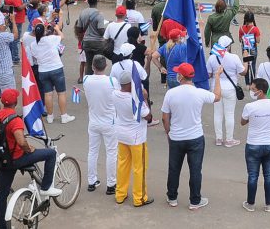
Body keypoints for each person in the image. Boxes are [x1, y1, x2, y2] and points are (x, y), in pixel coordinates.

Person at [0, 88, 63, 229]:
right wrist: (28, 148)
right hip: (17, 158)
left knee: (2, 194)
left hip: (2, 159)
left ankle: (2, 226)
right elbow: (20, 141)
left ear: (2, 102)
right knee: (50, 153)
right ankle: (45, 187)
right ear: (15, 102)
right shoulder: (15, 119)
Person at [162, 62, 224, 210]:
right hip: (195, 137)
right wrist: (217, 77)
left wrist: (168, 133)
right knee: (195, 170)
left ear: (181, 76)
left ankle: (172, 197)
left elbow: (165, 117)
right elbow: (217, 97)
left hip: (176, 137)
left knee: (174, 168)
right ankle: (195, 200)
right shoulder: (199, 93)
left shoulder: (171, 93)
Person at [240, 77, 270, 212]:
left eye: (253, 89)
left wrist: (254, 120)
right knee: (269, 175)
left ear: (260, 91)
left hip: (253, 144)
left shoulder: (250, 107)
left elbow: (242, 122)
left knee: (253, 175)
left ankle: (250, 203)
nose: (251, 91)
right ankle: (269, 204)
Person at [24, 18, 74, 124]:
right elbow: (62, 36)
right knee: (61, 93)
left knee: (48, 93)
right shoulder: (51, 39)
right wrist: (57, 28)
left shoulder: (33, 45)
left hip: (43, 70)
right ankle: (64, 116)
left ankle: (50, 116)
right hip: (56, 68)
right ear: (44, 31)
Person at [83, 55, 120, 196]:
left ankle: (91, 182)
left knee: (92, 151)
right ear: (105, 67)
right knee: (111, 152)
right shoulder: (112, 81)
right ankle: (111, 184)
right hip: (109, 122)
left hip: (93, 122)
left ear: (93, 66)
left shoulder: (86, 80)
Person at [115, 67, 153, 206]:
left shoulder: (115, 95)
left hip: (121, 135)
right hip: (137, 137)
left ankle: (120, 194)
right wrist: (145, 98)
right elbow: (148, 116)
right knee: (139, 168)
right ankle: (139, 198)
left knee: (122, 165)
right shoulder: (136, 100)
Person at [207, 36, 246, 146]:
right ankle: (229, 140)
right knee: (229, 114)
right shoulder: (234, 57)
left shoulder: (212, 57)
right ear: (228, 46)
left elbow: (209, 74)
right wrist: (246, 61)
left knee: (217, 113)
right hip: (230, 88)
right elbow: (243, 72)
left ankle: (218, 138)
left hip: (216, 87)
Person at [76, 0, 108, 68]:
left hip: (86, 42)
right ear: (97, 1)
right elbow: (101, 32)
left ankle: (88, 78)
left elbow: (79, 29)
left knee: (89, 65)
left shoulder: (82, 13)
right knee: (99, 65)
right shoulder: (99, 14)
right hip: (97, 43)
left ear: (88, 2)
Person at [237, 11, 262, 82]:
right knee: (253, 65)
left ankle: (247, 83)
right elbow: (258, 41)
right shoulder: (255, 29)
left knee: (246, 64)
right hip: (253, 49)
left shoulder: (241, 28)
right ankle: (253, 82)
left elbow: (240, 40)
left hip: (245, 49)